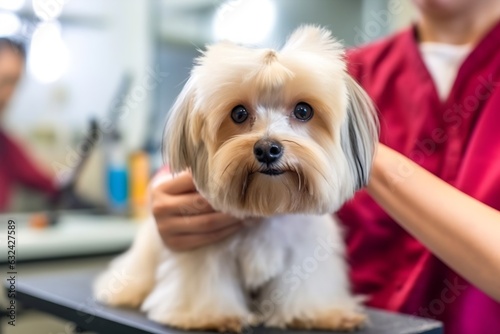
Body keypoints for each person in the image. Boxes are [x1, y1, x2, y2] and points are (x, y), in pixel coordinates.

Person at [150, 0, 500, 332]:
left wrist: (353, 154)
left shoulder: (331, 82)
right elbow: (203, 149)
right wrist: (169, 195)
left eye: (302, 113)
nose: (270, 141)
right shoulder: (337, 66)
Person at [0, 38, 56, 211]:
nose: (10, 94)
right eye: (6, 80)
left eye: (15, 83)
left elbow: (50, 185)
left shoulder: (6, 146)